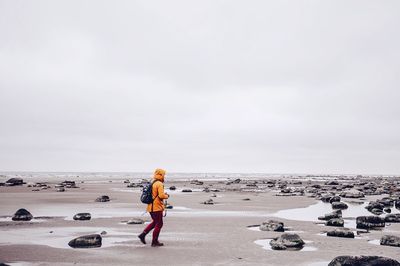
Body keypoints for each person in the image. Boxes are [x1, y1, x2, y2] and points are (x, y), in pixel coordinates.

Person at [138, 168, 169, 247]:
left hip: (150, 207)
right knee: (159, 224)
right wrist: (167, 196)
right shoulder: (159, 184)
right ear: (161, 175)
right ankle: (154, 242)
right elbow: (161, 195)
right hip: (156, 207)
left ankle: (143, 234)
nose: (164, 176)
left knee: (155, 222)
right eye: (164, 174)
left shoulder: (153, 182)